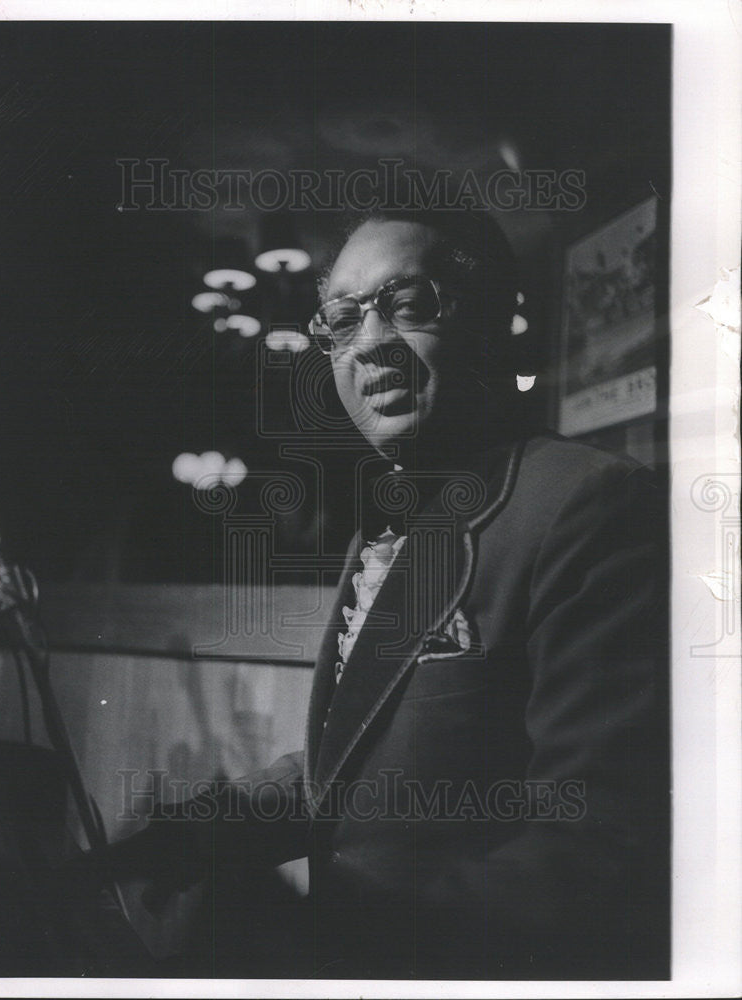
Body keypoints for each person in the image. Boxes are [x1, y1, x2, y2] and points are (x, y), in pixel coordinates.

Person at [87, 207, 669, 980]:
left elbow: (596, 846)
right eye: (341, 318)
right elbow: (359, 758)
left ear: (494, 322)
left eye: (410, 304)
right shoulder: (394, 521)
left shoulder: (590, 503)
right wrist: (196, 831)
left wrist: (328, 938)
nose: (369, 344)